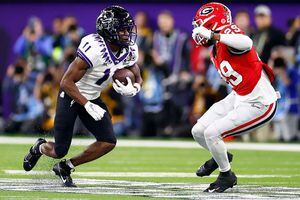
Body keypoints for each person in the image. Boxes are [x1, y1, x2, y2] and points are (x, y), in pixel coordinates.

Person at [23, 5, 142, 187]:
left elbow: (134, 68)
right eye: (122, 29)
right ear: (109, 30)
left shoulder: (128, 48)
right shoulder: (94, 48)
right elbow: (65, 82)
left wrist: (136, 86)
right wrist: (86, 104)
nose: (127, 33)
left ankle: (66, 167)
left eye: (128, 28)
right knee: (59, 150)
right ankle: (39, 147)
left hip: (93, 97)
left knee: (108, 141)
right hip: (72, 95)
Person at [191, 2, 278, 193]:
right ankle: (220, 156)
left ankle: (226, 175)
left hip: (260, 102)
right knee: (198, 131)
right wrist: (214, 38)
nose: (197, 31)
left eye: (201, 26)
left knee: (212, 133)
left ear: (213, 25)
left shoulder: (227, 34)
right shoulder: (215, 47)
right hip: (239, 96)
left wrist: (215, 35)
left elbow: (246, 42)